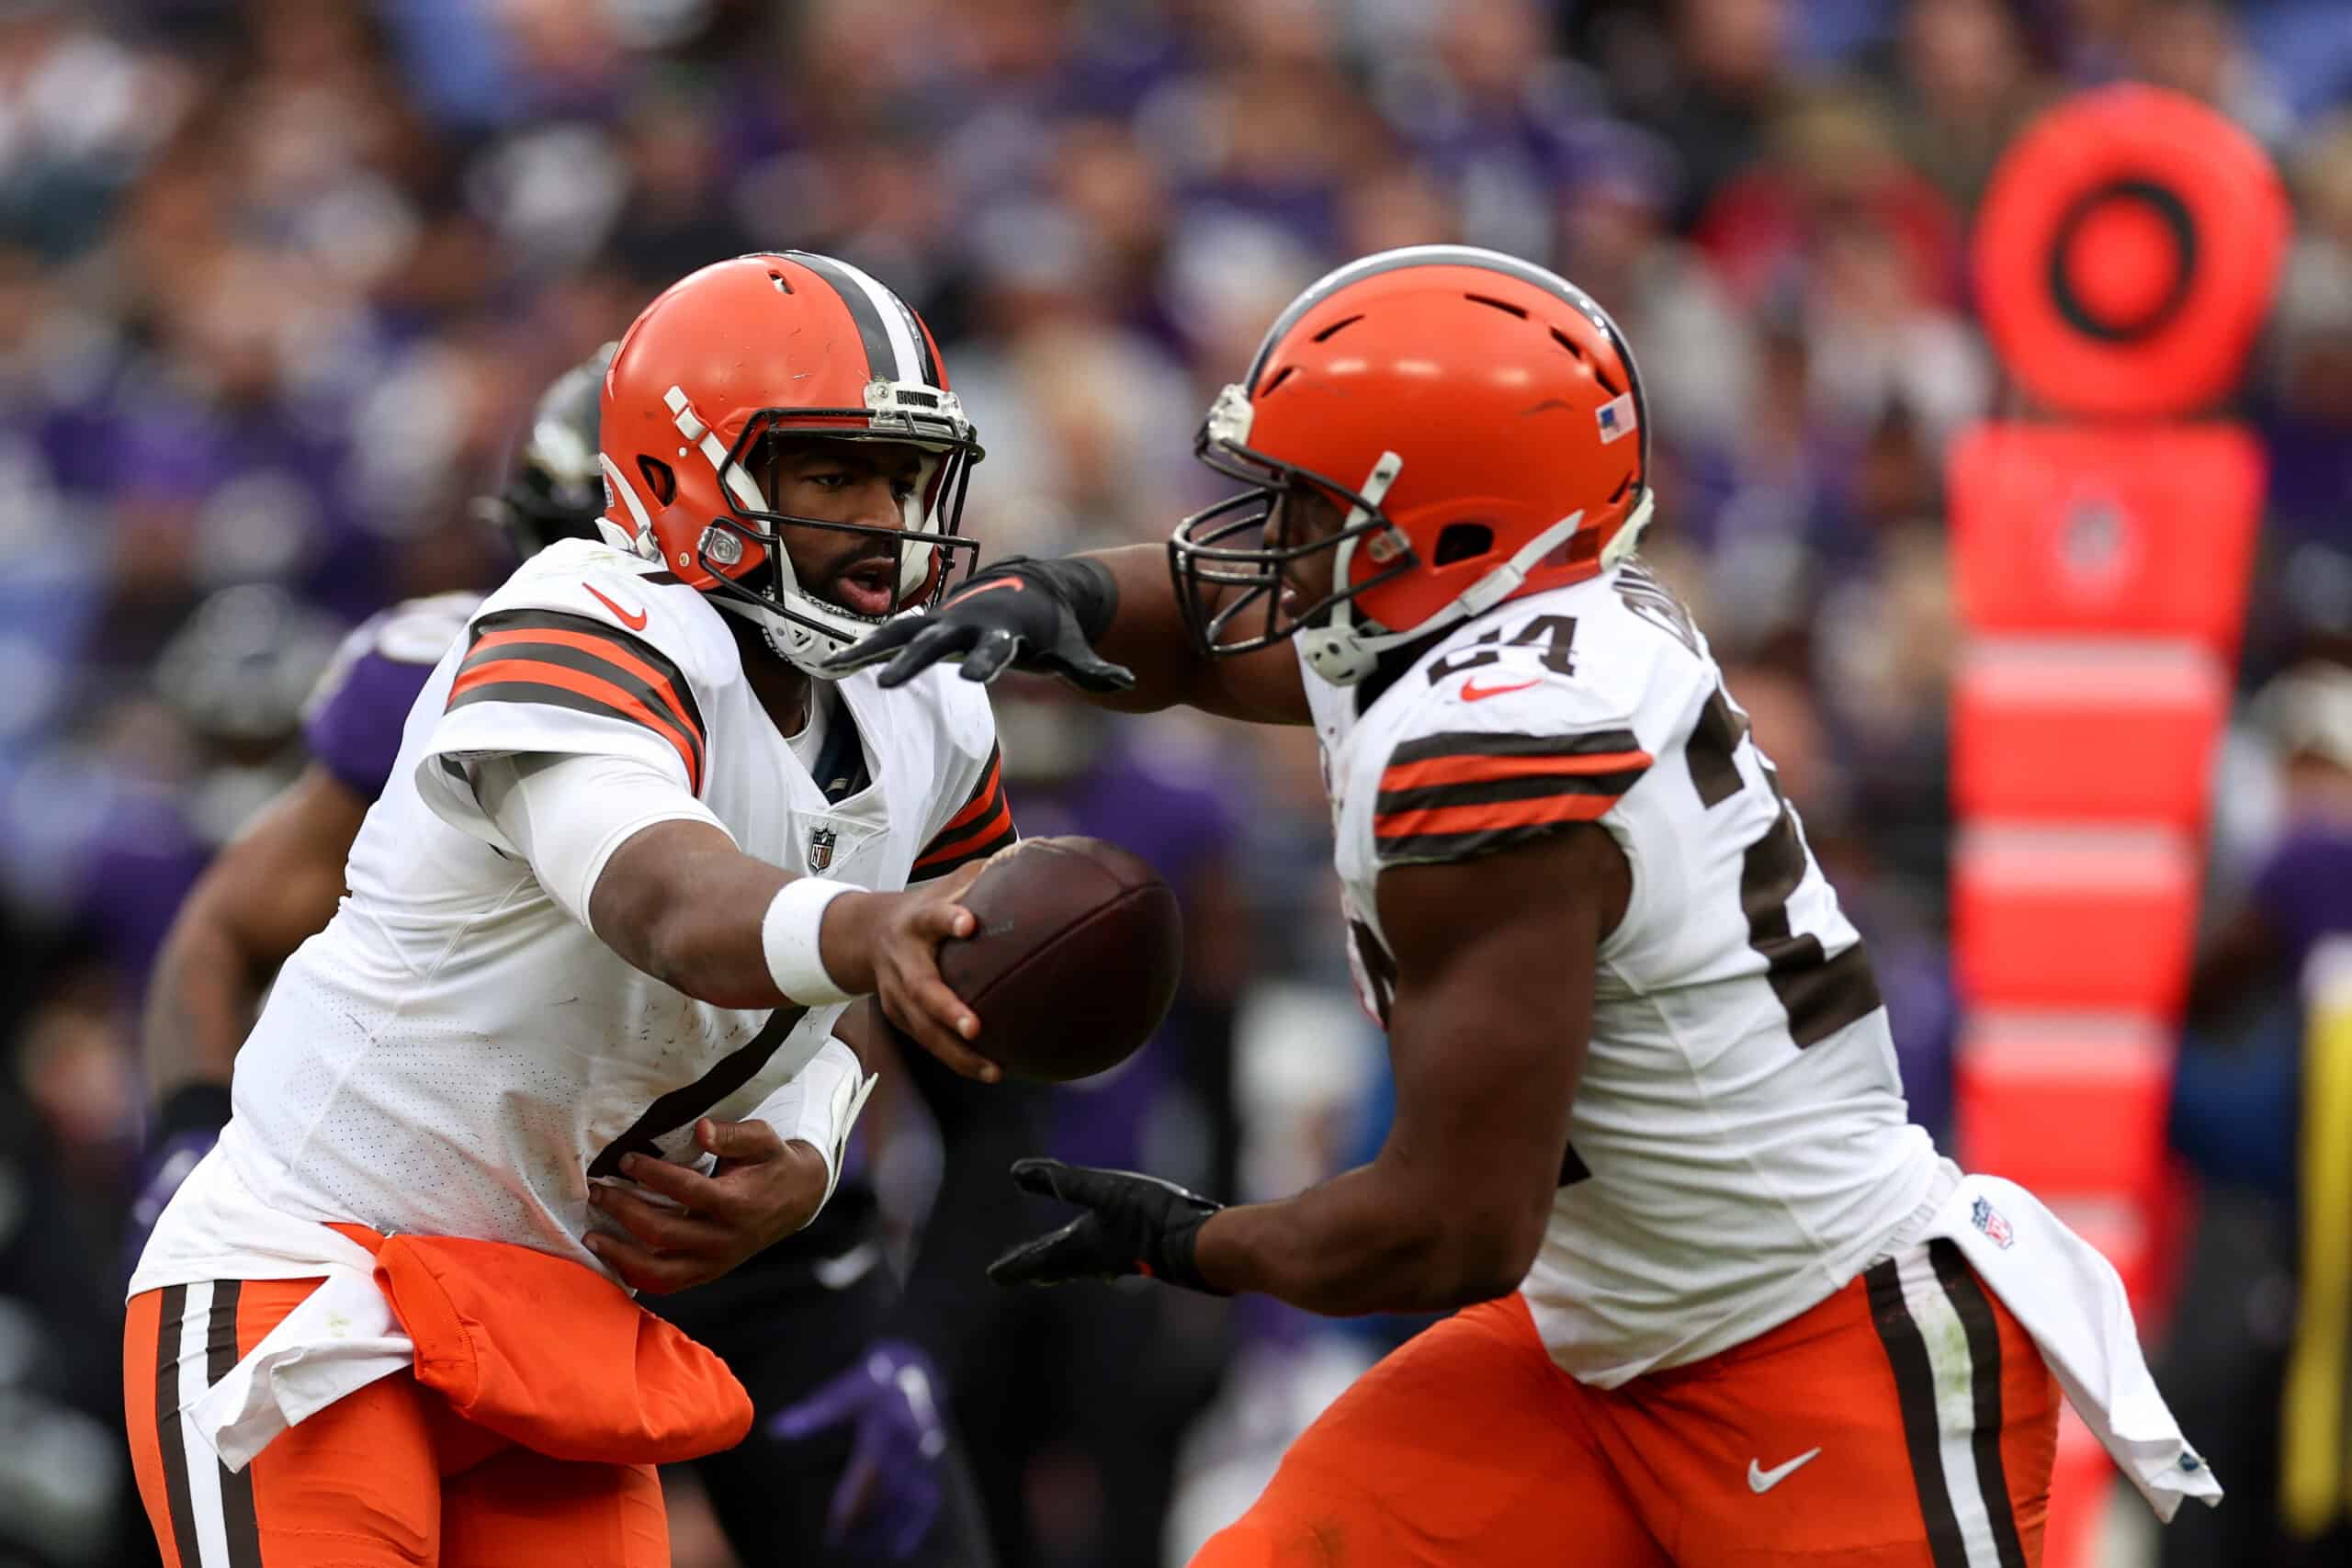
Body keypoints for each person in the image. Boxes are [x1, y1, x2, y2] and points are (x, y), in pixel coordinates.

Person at [831, 243, 2221, 1566]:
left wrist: (1189, 1241)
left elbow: (1453, 1229)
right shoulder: (1500, 618)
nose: (1264, 534)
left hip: (1818, 1352)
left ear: (1453, 523)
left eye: (1310, 502)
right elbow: (1205, 622)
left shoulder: (1501, 756)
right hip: (1596, 1343)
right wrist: (1045, 593)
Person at [123, 250, 1017, 1568]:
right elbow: (664, 898)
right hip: (315, 1284)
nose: (886, 518)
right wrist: (867, 932)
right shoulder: (579, 608)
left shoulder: (926, 704)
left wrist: (814, 1158)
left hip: (553, 1328)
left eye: (903, 477)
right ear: (685, 473)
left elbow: (862, 1014)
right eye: (835, 474)